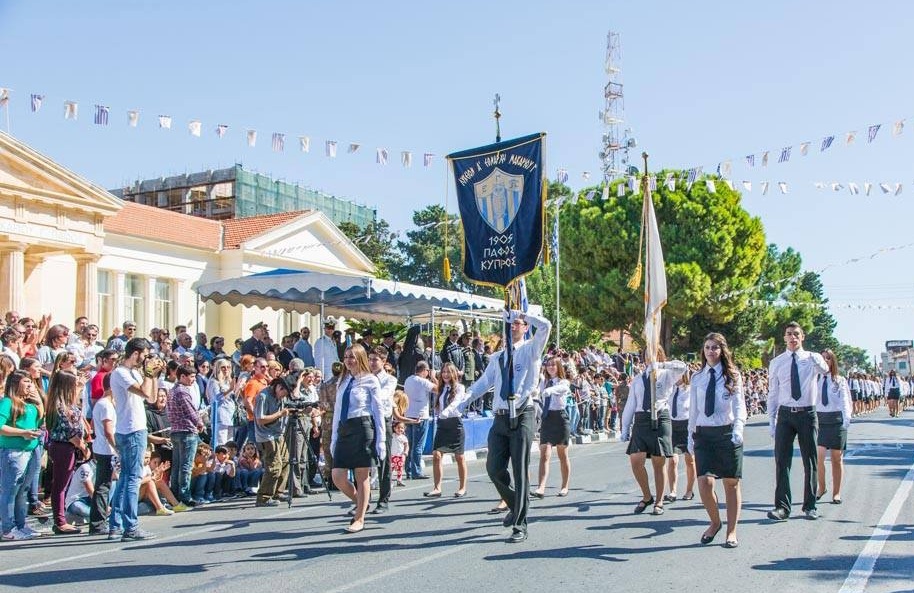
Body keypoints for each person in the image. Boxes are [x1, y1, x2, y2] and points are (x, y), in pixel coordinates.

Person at [465, 309, 551, 543]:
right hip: (501, 417)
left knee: (520, 470)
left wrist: (523, 313)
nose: (513, 325)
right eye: (510, 323)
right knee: (493, 468)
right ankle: (516, 504)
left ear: (525, 327)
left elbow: (546, 327)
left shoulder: (531, 350)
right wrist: (460, 402)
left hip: (523, 413)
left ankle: (520, 524)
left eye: (518, 323)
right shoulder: (498, 358)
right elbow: (483, 384)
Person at [688, 333, 747, 548]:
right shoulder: (697, 377)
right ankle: (715, 522)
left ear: (722, 350)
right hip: (704, 433)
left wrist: (738, 428)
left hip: (727, 432)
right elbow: (693, 409)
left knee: (731, 484)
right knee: (704, 482)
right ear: (703, 351)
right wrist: (690, 436)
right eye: (707, 347)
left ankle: (731, 531)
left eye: (714, 347)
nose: (710, 351)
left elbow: (740, 405)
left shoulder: (732, 375)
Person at [767, 322, 828, 522]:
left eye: (796, 334)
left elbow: (826, 370)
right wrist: (772, 420)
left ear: (802, 337)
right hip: (785, 414)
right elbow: (773, 393)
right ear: (784, 338)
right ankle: (782, 507)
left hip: (807, 414)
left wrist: (817, 358)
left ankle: (810, 505)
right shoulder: (777, 362)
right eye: (788, 334)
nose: (792, 337)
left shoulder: (810, 358)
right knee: (782, 462)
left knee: (810, 460)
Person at [620, 348, 688, 516]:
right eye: (646, 355)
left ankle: (659, 501)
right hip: (641, 419)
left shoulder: (667, 374)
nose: (648, 358)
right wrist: (624, 427)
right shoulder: (637, 379)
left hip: (660, 417)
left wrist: (661, 364)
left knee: (659, 462)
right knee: (636, 461)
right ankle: (646, 496)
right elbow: (631, 404)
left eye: (652, 354)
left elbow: (683, 367)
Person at [109, 337, 164, 541]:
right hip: (130, 430)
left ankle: (115, 524)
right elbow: (142, 392)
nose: (146, 359)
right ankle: (130, 526)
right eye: (144, 355)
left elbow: (151, 397)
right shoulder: (121, 373)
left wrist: (154, 375)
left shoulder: (133, 372)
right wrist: (148, 374)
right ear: (135, 353)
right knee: (132, 479)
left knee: (125, 479)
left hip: (136, 428)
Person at [330, 344, 385, 534]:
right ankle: (361, 502)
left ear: (360, 358)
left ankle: (359, 517)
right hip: (345, 429)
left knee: (362, 476)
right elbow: (337, 410)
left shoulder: (370, 380)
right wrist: (334, 437)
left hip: (363, 427)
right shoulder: (343, 381)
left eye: (352, 357)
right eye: (346, 357)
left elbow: (378, 411)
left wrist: (381, 440)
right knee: (337, 476)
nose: (348, 360)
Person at [0, 370, 45, 540]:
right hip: (14, 452)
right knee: (10, 490)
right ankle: (8, 527)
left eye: (31, 382)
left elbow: (41, 419)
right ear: (15, 383)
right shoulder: (7, 402)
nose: (30, 385)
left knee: (23, 490)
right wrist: (22, 432)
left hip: (31, 450)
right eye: (26, 381)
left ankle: (20, 523)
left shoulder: (30, 405)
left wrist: (39, 401)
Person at [46, 371, 89, 534]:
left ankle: (61, 519)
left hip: (68, 447)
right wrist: (83, 447)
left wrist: (79, 386)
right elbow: (70, 432)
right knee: (60, 485)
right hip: (64, 446)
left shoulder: (65, 402)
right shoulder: (59, 406)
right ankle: (60, 521)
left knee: (63, 484)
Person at [424, 362, 469, 498]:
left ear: (454, 373)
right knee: (436, 454)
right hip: (442, 424)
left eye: (448, 372)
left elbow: (456, 402)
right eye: (443, 372)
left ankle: (462, 487)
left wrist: (447, 411)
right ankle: (437, 488)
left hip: (455, 423)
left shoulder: (460, 388)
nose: (445, 375)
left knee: (459, 457)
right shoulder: (441, 388)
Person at [815, 349, 852, 505]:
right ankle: (821, 487)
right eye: (822, 359)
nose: (825, 361)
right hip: (820, 420)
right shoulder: (814, 379)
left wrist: (846, 418)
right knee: (819, 457)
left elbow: (845, 401)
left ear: (833, 361)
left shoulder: (839, 380)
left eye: (828, 358)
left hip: (837, 420)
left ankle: (836, 493)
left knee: (837, 458)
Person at [532, 356, 572, 499]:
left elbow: (562, 389)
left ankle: (564, 486)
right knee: (545, 454)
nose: (550, 367)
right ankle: (541, 487)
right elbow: (537, 384)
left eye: (553, 365)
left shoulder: (563, 382)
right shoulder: (545, 382)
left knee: (562, 455)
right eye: (548, 365)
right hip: (547, 418)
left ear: (558, 367)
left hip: (560, 418)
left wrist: (550, 390)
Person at [168, 365, 205, 512]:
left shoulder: (172, 390)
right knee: (186, 467)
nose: (193, 380)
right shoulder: (183, 391)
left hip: (176, 431)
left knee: (177, 466)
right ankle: (185, 496)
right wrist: (200, 423)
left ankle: (175, 495)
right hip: (187, 432)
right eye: (191, 377)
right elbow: (191, 411)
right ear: (182, 376)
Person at [368, 347, 397, 514]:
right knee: (363, 461)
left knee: (384, 460)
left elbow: (383, 395)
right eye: (370, 359)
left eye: (375, 360)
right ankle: (362, 500)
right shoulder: (364, 377)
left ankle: (383, 499)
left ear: (384, 361)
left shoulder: (389, 380)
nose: (371, 363)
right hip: (367, 420)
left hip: (383, 421)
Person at [254, 377, 291, 507]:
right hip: (266, 435)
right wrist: (280, 414)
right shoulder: (263, 397)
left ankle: (278, 492)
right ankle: (264, 496)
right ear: (279, 388)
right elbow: (260, 419)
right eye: (284, 393)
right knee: (274, 466)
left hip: (278, 433)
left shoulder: (280, 396)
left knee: (286, 461)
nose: (284, 397)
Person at [89, 373, 118, 534]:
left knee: (104, 485)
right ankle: (98, 523)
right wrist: (117, 448)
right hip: (106, 450)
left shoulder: (106, 404)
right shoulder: (105, 405)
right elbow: (108, 431)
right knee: (103, 486)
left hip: (103, 448)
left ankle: (99, 521)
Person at [666, 370, 696, 502]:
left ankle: (689, 490)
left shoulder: (691, 389)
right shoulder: (670, 389)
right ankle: (672, 491)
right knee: (672, 460)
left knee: (690, 460)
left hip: (687, 425)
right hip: (672, 425)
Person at [403, 361, 436, 479]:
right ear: (425, 370)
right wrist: (433, 378)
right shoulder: (423, 381)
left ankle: (409, 469)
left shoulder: (408, 380)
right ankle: (416, 470)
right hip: (420, 415)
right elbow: (438, 389)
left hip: (408, 414)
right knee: (418, 445)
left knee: (410, 444)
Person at [389, 421, 409, 487]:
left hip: (400, 456)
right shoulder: (392, 435)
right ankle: (390, 482)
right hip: (392, 455)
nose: (400, 429)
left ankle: (399, 480)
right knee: (390, 469)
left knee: (400, 469)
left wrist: (405, 452)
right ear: (394, 428)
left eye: (402, 428)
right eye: (398, 427)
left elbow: (406, 445)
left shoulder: (404, 437)